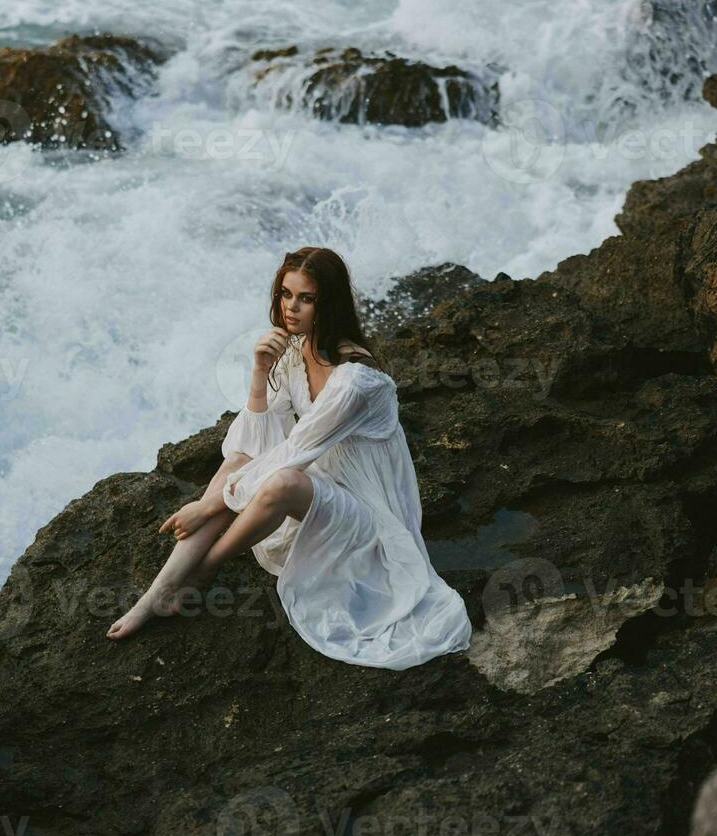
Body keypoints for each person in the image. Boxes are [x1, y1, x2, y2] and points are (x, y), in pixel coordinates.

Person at [106, 246, 473, 670]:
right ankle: (155, 597)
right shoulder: (295, 352)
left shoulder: (355, 381)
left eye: (306, 298)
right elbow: (252, 440)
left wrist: (209, 504)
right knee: (238, 464)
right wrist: (261, 371)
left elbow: (295, 451)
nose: (291, 308)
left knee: (278, 482)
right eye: (285, 294)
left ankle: (204, 570)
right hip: (327, 486)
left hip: (371, 522)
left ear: (328, 303)